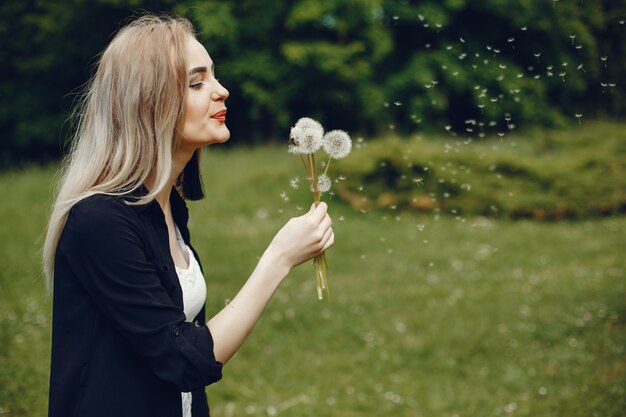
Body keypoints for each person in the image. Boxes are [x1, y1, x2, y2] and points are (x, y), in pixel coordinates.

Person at [42, 14, 334, 417]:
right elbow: (182, 358)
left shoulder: (167, 207)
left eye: (213, 76)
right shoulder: (100, 222)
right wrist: (278, 259)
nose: (222, 91)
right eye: (197, 83)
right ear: (149, 104)